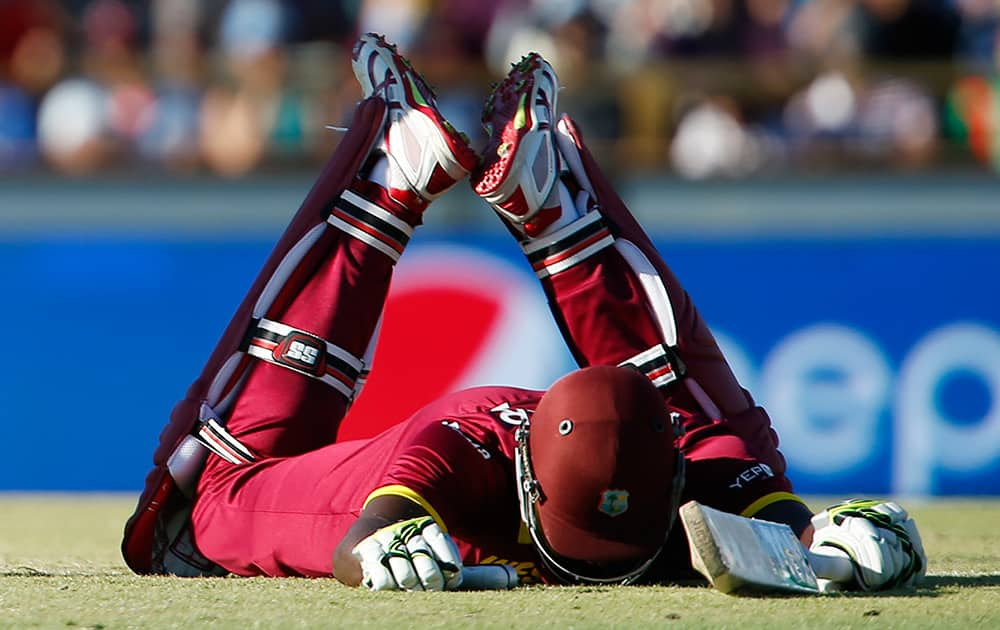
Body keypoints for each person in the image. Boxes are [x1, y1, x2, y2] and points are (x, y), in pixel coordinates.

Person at [122, 33, 925, 591]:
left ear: (673, 471)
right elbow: (361, 543)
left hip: (634, 443)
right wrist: (381, 550)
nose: (600, 568)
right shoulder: (457, 444)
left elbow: (781, 515)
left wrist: (842, 537)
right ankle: (389, 179)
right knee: (193, 500)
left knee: (736, 440)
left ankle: (547, 208)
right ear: (527, 482)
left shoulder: (687, 465)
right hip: (268, 498)